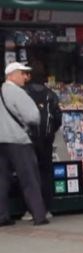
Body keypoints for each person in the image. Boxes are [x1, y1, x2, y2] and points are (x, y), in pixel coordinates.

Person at [0, 62, 48, 226]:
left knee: (2, 180)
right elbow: (33, 116)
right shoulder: (17, 92)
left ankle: (2, 216)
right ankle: (39, 215)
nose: (25, 77)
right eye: (22, 73)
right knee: (29, 178)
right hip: (19, 141)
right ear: (12, 75)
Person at [21, 61, 62, 222]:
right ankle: (47, 208)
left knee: (29, 173)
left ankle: (30, 209)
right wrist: (50, 132)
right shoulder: (51, 94)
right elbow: (58, 118)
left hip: (28, 139)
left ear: (29, 75)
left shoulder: (23, 93)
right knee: (46, 173)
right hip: (46, 140)